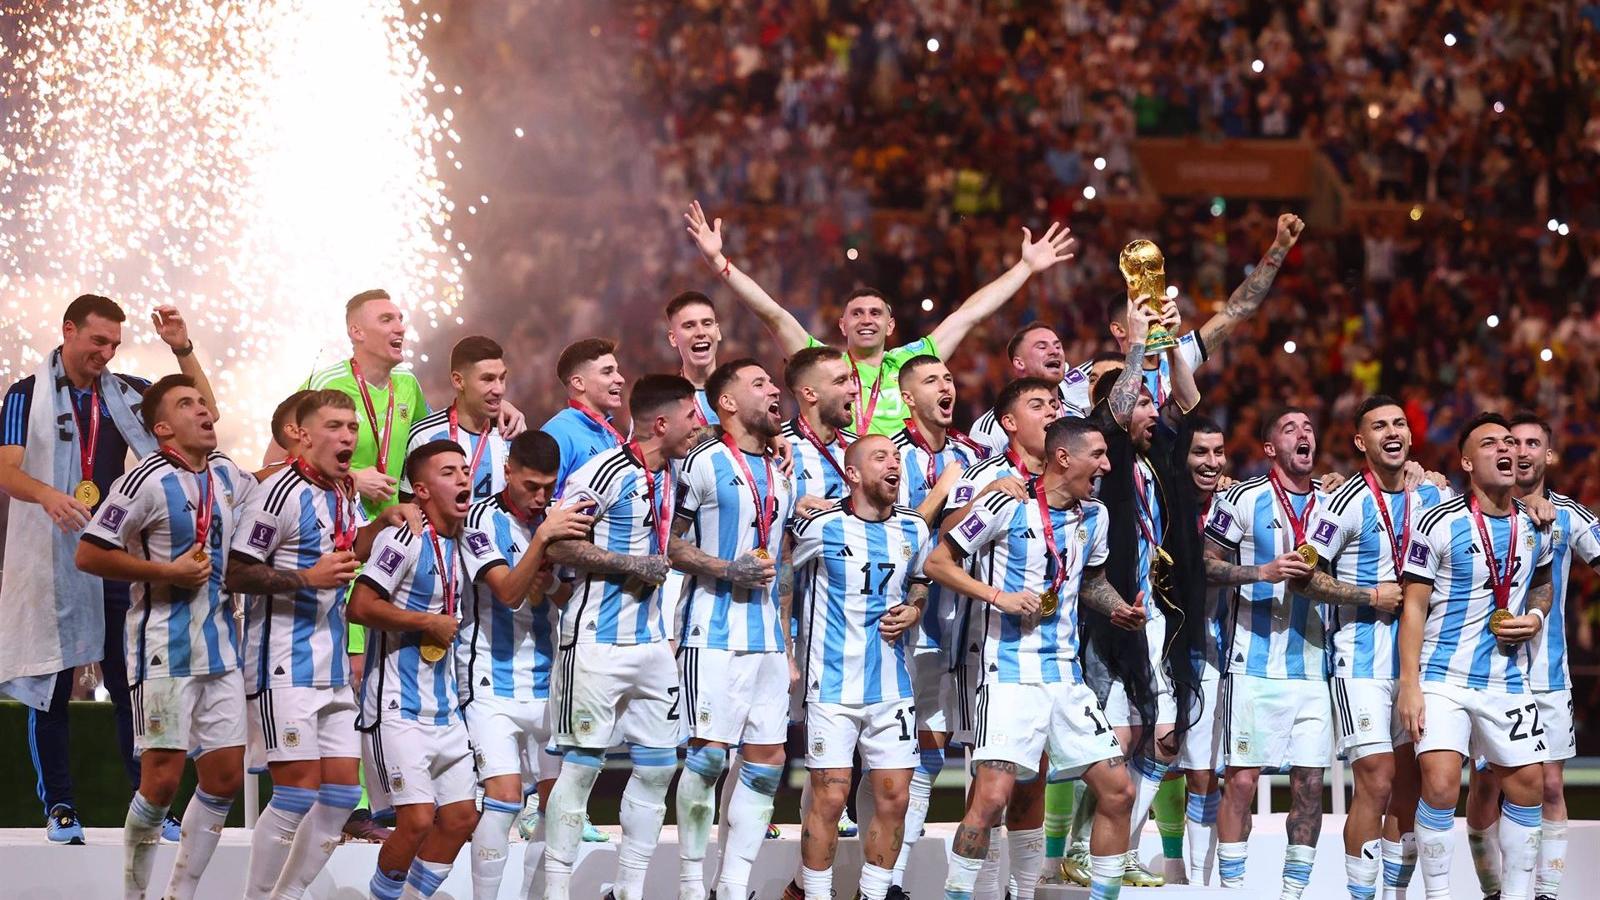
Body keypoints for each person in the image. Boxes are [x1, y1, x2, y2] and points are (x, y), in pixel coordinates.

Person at [0, 295, 213, 844]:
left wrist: (182, 349)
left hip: (113, 553)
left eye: (115, 344)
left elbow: (201, 417)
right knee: (51, 687)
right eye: (98, 341)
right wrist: (48, 495)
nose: (107, 353)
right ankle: (60, 807)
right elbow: (6, 469)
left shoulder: (130, 393)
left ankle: (150, 806)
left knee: (129, 686)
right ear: (68, 330)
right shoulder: (25, 394)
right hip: (52, 557)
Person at [925, 416, 1146, 900]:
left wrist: (1117, 608)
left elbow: (1090, 581)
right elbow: (937, 562)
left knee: (1119, 791)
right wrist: (997, 596)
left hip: (1066, 677)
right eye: (1098, 455)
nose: (1107, 465)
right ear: (1063, 457)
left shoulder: (1096, 516)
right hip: (1008, 675)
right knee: (991, 798)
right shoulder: (1006, 503)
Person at [226, 390, 415, 899]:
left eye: (352, 427)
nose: (347, 436)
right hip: (281, 663)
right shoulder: (276, 493)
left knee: (341, 795)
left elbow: (345, 549)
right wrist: (307, 578)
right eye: (334, 426)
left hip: (331, 667)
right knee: (294, 793)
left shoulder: (343, 490)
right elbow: (236, 571)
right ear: (304, 435)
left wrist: (379, 525)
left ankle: (286, 896)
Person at [685, 199, 1078, 436]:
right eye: (856, 313)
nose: (866, 319)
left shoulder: (912, 361)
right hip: (836, 481)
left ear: (890, 325)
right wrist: (720, 263)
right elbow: (773, 315)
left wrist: (1025, 268)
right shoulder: (823, 364)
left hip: (898, 486)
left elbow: (969, 315)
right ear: (842, 326)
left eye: (876, 313)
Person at [75, 375, 251, 898]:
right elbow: (89, 552)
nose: (203, 411)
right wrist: (166, 573)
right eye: (187, 404)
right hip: (163, 651)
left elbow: (272, 481)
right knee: (162, 782)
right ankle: (134, 894)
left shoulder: (227, 473)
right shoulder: (142, 481)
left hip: (222, 649)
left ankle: (179, 894)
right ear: (162, 428)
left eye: (203, 403)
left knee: (225, 778)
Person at [540, 374, 701, 900]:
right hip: (595, 641)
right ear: (662, 423)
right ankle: (557, 892)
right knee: (582, 769)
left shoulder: (675, 474)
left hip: (651, 642)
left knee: (659, 768)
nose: (698, 425)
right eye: (691, 416)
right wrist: (630, 563)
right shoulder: (602, 471)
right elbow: (557, 545)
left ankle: (627, 890)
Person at [1063, 301, 1204, 890]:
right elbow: (1118, 412)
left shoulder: (1157, 460)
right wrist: (1140, 345)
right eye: (1142, 401)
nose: (1151, 409)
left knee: (1162, 740)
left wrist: (1170, 341)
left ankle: (1113, 847)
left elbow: (1189, 405)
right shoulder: (1111, 460)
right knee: (1116, 742)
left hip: (1155, 617)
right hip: (1110, 620)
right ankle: (1084, 847)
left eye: (1150, 401)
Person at [1300, 396, 1452, 900]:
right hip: (1360, 662)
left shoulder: (1435, 497)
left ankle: (1395, 895)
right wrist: (1369, 595)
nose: (1392, 431)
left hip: (1421, 665)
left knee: (1410, 784)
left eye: (1399, 423)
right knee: (1378, 779)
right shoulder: (1342, 502)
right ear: (1360, 442)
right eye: (1379, 425)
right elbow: (1304, 577)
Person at [1397, 412, 1554, 900]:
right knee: (1441, 783)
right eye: (1489, 444)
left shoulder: (1535, 524)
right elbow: (1414, 607)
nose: (1505, 449)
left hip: (1507, 679)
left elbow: (1543, 583)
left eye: (1509, 441)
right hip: (1443, 676)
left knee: (1529, 785)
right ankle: (1439, 895)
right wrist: (1409, 684)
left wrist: (1536, 616)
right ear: (1466, 462)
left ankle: (1517, 894)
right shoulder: (1439, 522)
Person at [667, 359, 793, 900]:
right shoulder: (701, 462)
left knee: (768, 761)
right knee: (709, 757)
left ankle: (733, 888)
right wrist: (725, 569)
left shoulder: (783, 470)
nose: (773, 389)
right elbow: (669, 543)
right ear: (727, 402)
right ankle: (691, 888)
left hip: (766, 638)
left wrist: (786, 639)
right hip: (710, 630)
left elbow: (783, 558)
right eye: (759, 383)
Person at [788, 433, 931, 900]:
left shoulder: (915, 528)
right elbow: (785, 574)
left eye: (897, 457)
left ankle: (871, 894)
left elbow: (921, 581)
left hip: (892, 685)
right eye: (880, 457)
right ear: (852, 474)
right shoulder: (821, 527)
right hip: (831, 684)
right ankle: (814, 895)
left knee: (895, 798)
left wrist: (914, 608)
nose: (894, 464)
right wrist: (787, 646)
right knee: (830, 798)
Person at [1461, 411, 1594, 900]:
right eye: (1512, 442)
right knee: (1485, 787)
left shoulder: (1568, 516)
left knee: (1552, 785)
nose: (1520, 451)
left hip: (1547, 675)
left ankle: (1545, 894)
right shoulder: (1475, 511)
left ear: (1549, 455)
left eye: (1533, 443)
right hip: (1489, 674)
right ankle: (1493, 891)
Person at [457, 430, 594, 900]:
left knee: (559, 803)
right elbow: (508, 592)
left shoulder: (559, 518)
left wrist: (551, 584)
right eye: (530, 485)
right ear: (508, 471)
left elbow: (569, 596)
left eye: (548, 487)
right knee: (503, 800)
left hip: (547, 681)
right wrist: (544, 538)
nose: (539, 497)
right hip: (489, 680)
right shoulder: (479, 519)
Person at [1202, 408, 1331, 898]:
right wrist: (1262, 572)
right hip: (1251, 664)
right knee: (1240, 783)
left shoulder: (1334, 504)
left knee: (1311, 786)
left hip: (1314, 666)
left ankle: (1292, 894)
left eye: (1309, 427)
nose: (1304, 433)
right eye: (1290, 428)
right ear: (1271, 448)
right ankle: (1233, 891)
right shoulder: (1241, 498)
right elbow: (1204, 564)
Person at [348, 440, 484, 900]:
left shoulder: (469, 539)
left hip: (445, 709)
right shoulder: (403, 538)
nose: (462, 478)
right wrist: (427, 622)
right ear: (421, 491)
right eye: (449, 472)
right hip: (396, 708)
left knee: (462, 818)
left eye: (464, 470)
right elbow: (359, 605)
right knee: (417, 820)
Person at [885, 354, 984, 888]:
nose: (946, 386)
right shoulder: (891, 454)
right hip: (911, 620)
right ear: (908, 397)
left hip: (966, 621)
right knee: (906, 755)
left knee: (953, 750)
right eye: (931, 380)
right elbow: (891, 536)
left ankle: (916, 881)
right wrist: (940, 493)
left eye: (948, 378)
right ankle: (887, 880)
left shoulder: (974, 455)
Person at [1173, 418, 1230, 885]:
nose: (1212, 463)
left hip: (1211, 650)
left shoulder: (1235, 504)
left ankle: (1198, 882)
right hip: (1157, 647)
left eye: (1218, 452)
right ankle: (1115, 861)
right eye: (1200, 453)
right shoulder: (1161, 502)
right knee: (1148, 757)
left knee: (1202, 771)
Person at [401, 336, 509, 502]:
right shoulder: (423, 437)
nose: (499, 389)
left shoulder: (511, 433)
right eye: (488, 379)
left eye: (502, 378)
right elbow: (408, 506)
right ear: (458, 381)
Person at [971, 324, 1091, 453]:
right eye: (1042, 347)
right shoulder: (989, 429)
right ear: (1019, 363)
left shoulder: (1081, 391)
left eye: (1058, 346)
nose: (1055, 351)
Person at [541, 337, 628, 490]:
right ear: (579, 383)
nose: (620, 379)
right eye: (607, 372)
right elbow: (538, 498)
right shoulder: (558, 433)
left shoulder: (609, 432)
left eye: (617, 371)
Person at [781, 346, 858, 508]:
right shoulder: (778, 448)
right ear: (809, 394)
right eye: (841, 381)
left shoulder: (857, 447)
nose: (854, 389)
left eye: (851, 379)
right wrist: (792, 510)